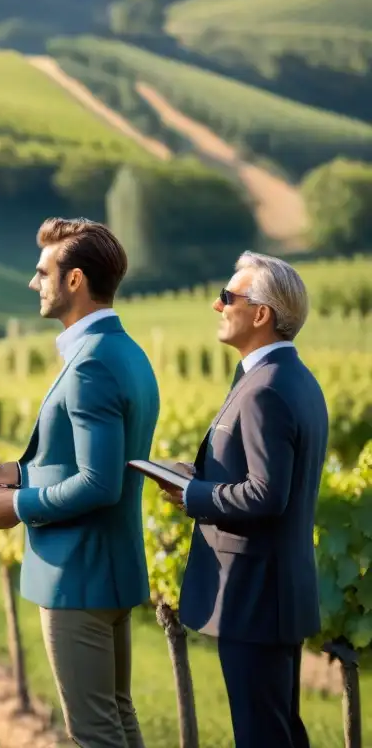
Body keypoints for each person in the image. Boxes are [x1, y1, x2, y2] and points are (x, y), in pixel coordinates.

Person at [0, 217, 158, 748]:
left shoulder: (90, 365)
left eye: (42, 272)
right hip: (110, 568)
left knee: (93, 732)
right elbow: (92, 461)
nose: (34, 282)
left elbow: (100, 483)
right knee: (117, 718)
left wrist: (20, 504)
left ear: (74, 280)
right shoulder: (124, 351)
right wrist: (20, 471)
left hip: (77, 575)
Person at [155, 251, 328, 748]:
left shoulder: (264, 389)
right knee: (280, 731)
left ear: (260, 314)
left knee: (262, 735)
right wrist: (198, 477)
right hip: (273, 594)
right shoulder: (289, 378)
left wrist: (194, 494)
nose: (217, 305)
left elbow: (266, 494)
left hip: (254, 596)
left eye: (228, 296)